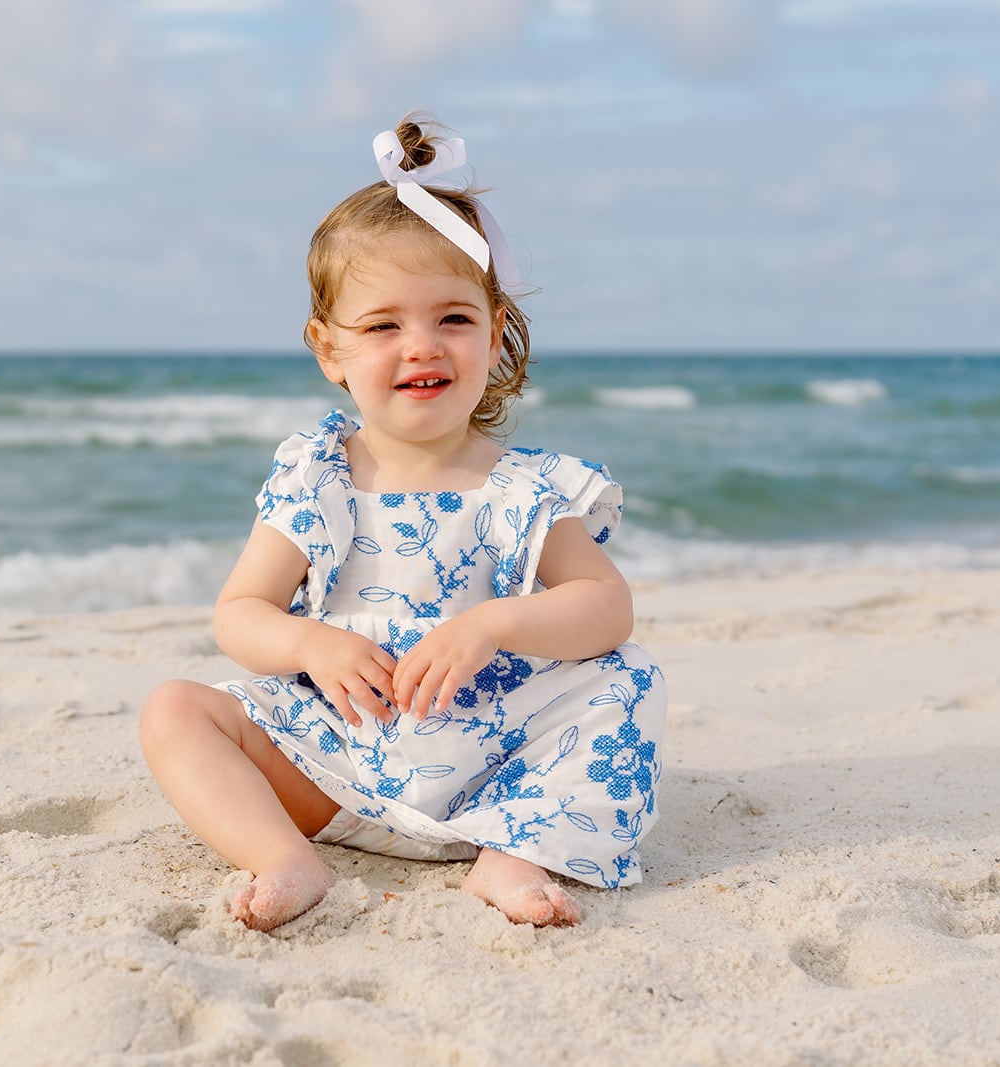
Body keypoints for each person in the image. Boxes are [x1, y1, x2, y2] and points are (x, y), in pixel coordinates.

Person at [139, 115, 665, 932]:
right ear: (329, 349)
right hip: (337, 764)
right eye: (383, 325)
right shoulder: (318, 477)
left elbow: (606, 606)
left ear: (495, 333)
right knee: (175, 709)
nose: (422, 346)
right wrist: (310, 643)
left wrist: (494, 623)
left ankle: (512, 854)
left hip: (496, 770)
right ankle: (283, 855)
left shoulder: (523, 488)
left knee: (628, 678)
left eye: (453, 318)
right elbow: (239, 612)